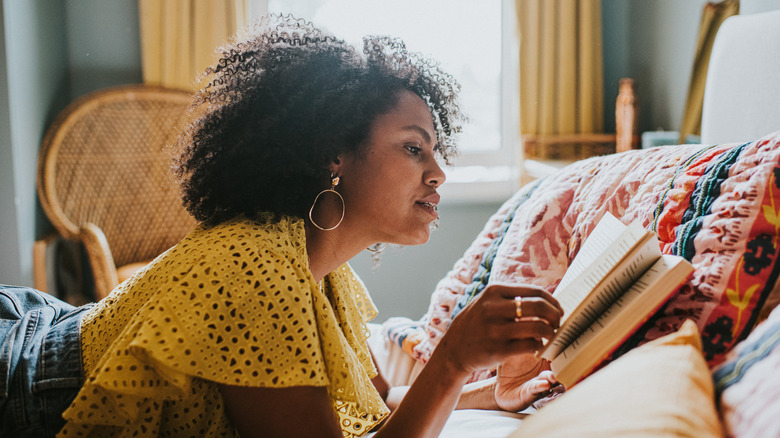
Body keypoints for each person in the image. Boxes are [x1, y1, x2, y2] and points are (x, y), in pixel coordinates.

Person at [0, 15, 562, 438]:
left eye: (435, 152)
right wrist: (453, 357)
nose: (438, 173)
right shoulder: (254, 270)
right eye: (413, 148)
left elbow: (378, 405)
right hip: (22, 381)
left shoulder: (321, 269)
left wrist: (492, 395)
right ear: (332, 155)